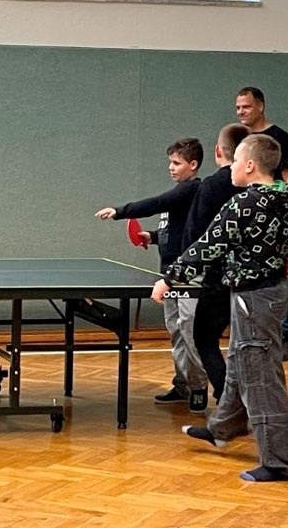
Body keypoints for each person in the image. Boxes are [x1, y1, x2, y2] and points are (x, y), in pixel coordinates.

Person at [152, 134, 288, 482]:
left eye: (236, 162)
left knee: (261, 377)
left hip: (253, 299)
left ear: (251, 166)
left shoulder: (243, 204)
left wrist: (170, 279)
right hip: (270, 293)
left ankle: (280, 462)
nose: (232, 169)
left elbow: (207, 246)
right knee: (240, 361)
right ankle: (223, 428)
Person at [95, 137, 207, 412]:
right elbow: (176, 230)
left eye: (176, 163)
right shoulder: (180, 192)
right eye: (170, 162)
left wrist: (119, 211)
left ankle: (199, 388)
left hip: (187, 275)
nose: (171, 167)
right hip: (168, 273)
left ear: (193, 165)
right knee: (176, 332)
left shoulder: (192, 189)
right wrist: (153, 236)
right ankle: (183, 385)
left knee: (189, 332)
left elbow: (157, 203)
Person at [182, 123, 249, 402]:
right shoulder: (269, 188)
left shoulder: (211, 186)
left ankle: (226, 398)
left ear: (218, 151)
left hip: (218, 277)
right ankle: (252, 405)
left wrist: (179, 273)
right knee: (252, 346)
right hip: (258, 280)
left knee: (204, 337)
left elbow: (195, 236)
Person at [235, 86, 288, 358]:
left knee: (274, 276)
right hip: (246, 219)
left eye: (246, 107)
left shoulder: (280, 137)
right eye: (238, 108)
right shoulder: (240, 138)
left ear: (260, 106)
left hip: (273, 221)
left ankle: (283, 334)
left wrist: (282, 211)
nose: (241, 112)